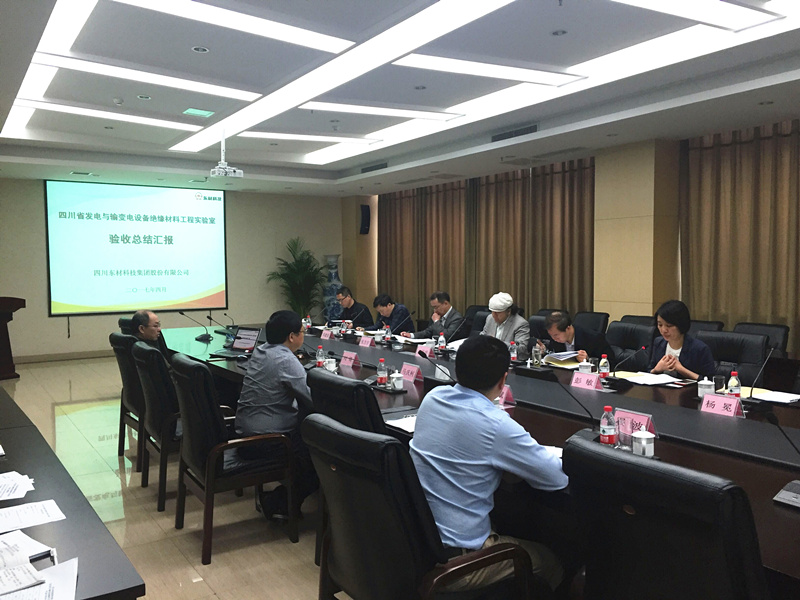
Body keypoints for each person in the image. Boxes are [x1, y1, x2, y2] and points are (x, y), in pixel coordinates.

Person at [410, 335, 568, 592]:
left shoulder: (433, 398)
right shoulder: (496, 424)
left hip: (417, 542)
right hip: (458, 560)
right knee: (552, 562)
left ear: (457, 369)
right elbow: (555, 478)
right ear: (503, 380)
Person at [234, 310, 318, 519]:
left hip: (245, 432)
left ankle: (281, 501)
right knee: (318, 457)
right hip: (267, 440)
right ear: (291, 336)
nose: (303, 335)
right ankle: (278, 503)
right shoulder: (285, 360)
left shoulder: (261, 351)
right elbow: (311, 399)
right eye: (302, 332)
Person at [648, 299, 715, 380]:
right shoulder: (658, 343)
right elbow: (649, 371)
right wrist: (656, 369)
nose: (663, 330)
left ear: (681, 324)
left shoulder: (700, 349)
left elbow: (710, 381)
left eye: (669, 326)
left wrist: (681, 369)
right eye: (660, 325)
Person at [545, 311, 615, 367]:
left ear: (568, 328)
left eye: (556, 335)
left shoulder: (594, 338)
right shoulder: (555, 338)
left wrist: (588, 359)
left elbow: (611, 363)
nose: (553, 338)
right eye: (551, 335)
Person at [401, 291, 465, 341]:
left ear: (445, 303)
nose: (435, 310)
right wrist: (411, 335)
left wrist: (436, 321)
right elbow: (428, 332)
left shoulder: (457, 318)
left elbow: (446, 336)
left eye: (436, 307)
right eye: (433, 308)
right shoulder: (438, 314)